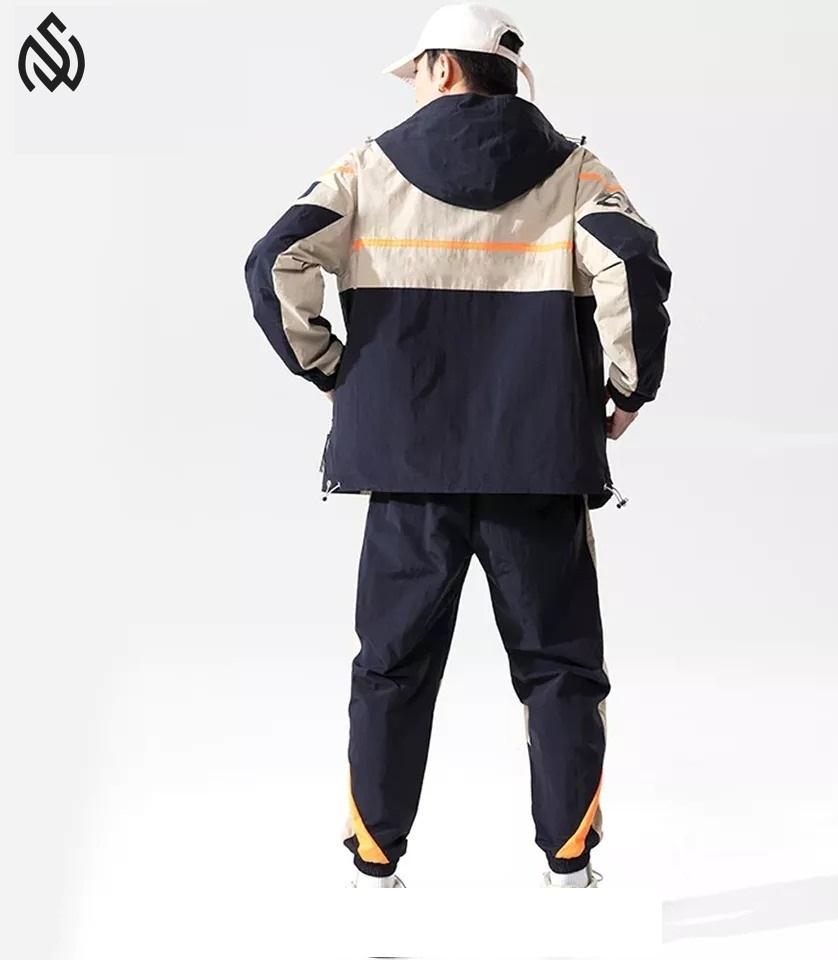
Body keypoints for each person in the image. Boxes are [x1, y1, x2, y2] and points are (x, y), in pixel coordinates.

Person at [242, 1, 673, 889]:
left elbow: (273, 260)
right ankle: (570, 869)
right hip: (539, 471)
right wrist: (630, 388)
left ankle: (374, 869)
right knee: (559, 670)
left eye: (416, 72)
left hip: (407, 474)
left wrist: (331, 367)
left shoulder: (365, 170)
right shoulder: (576, 173)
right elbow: (631, 264)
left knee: (391, 668)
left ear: (441, 67)